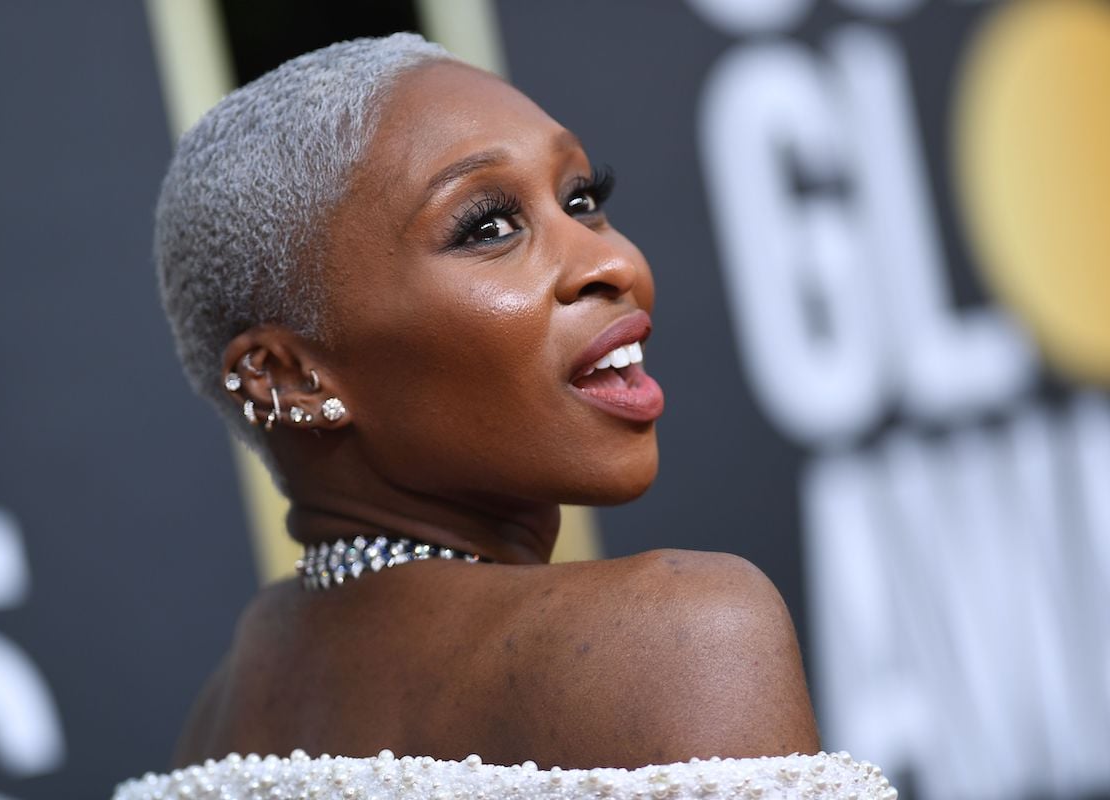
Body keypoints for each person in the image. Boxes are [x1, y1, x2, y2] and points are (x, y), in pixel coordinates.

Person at [114, 32, 896, 800]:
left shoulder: (218, 727)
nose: (613, 262)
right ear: (292, 379)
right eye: (488, 227)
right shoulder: (680, 637)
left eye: (582, 200)